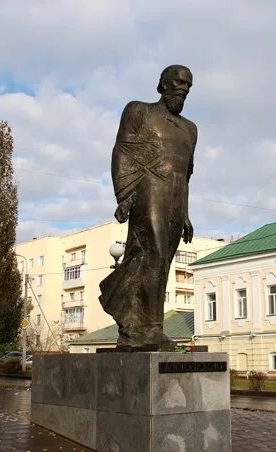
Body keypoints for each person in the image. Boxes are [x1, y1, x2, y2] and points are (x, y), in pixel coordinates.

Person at [99, 65, 197, 350]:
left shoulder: (190, 129)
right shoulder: (139, 111)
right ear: (163, 85)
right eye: (178, 83)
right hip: (149, 190)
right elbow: (122, 151)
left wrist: (186, 213)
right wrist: (125, 196)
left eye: (188, 86)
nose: (183, 89)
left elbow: (185, 172)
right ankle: (147, 330)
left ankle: (144, 327)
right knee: (151, 252)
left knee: (163, 262)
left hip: (176, 198)